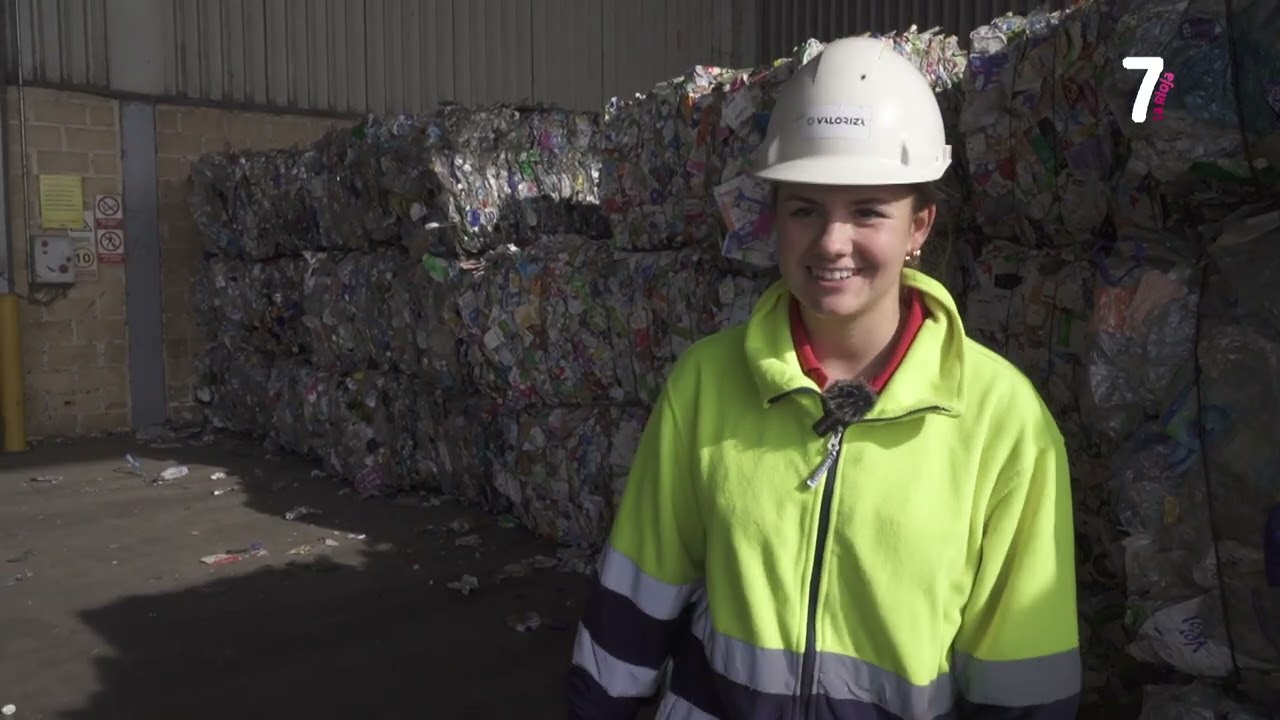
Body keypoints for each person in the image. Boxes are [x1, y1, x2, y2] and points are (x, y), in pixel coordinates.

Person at [566, 36, 1081, 720]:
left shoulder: (1002, 420)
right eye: (805, 208)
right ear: (775, 218)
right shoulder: (706, 384)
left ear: (919, 225)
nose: (832, 242)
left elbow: (1024, 679)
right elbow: (636, 596)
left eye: (868, 210)